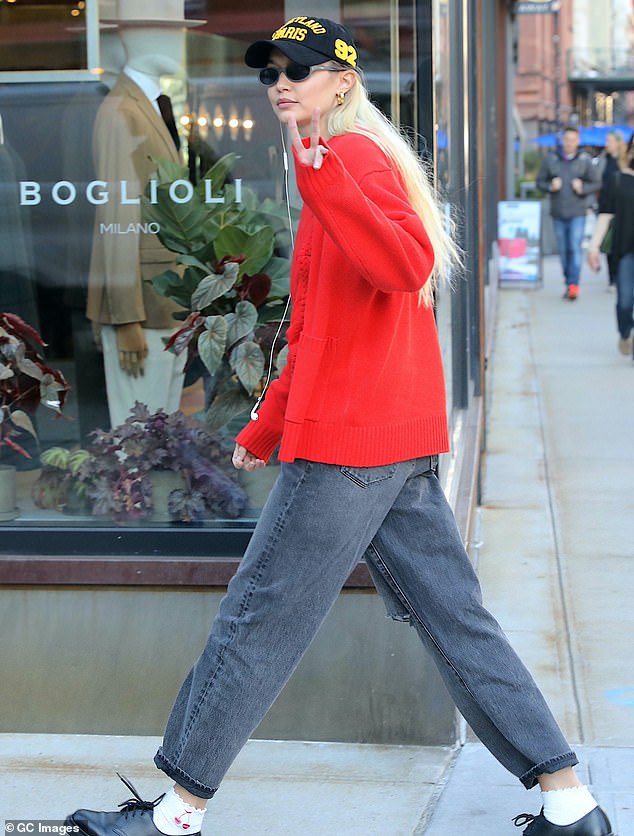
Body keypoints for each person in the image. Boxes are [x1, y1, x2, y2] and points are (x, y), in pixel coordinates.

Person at [65, 16, 613, 836]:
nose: (281, 82)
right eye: (271, 71)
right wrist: (267, 425)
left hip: (352, 448)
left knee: (257, 617)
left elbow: (407, 265)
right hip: (388, 440)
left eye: (300, 69)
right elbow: (322, 327)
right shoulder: (335, 164)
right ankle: (571, 802)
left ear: (343, 81)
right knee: (454, 618)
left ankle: (176, 814)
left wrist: (323, 178)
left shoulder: (347, 160)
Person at [87, 0, 204, 427]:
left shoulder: (151, 106)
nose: (180, 39)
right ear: (132, 37)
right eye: (168, 31)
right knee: (137, 437)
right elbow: (116, 220)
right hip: (142, 308)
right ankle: (132, 497)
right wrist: (126, 319)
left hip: (163, 305)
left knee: (159, 433)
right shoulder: (121, 113)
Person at [537, 126, 600, 300]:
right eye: (567, 139)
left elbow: (596, 183)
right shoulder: (551, 159)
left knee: (574, 247)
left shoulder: (584, 159)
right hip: (558, 212)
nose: (570, 143)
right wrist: (551, 186)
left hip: (578, 211)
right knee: (564, 250)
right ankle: (568, 281)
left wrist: (583, 188)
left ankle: (574, 284)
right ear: (562, 140)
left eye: (573, 140)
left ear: (578, 141)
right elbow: (539, 182)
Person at [588, 133, 634, 359]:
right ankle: (625, 333)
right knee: (625, 301)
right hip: (626, 252)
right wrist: (593, 247)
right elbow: (605, 216)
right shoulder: (617, 180)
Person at [597, 129, 629, 289]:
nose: (606, 144)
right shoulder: (604, 159)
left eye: (609, 141)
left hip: (624, 208)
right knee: (609, 243)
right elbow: (597, 179)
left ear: (618, 143)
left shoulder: (625, 160)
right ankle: (613, 278)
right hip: (607, 205)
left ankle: (621, 276)